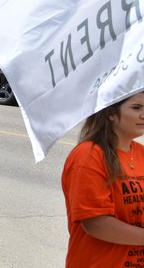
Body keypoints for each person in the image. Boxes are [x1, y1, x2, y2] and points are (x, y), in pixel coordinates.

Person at [62, 91, 144, 267]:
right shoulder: (88, 155)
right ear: (110, 113)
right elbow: (96, 223)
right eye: (137, 107)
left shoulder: (140, 153)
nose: (143, 114)